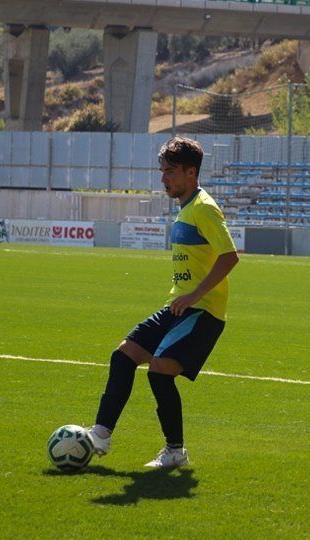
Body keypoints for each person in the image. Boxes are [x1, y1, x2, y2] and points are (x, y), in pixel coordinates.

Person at [85, 137, 239, 468]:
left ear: (191, 172)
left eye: (170, 171)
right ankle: (100, 433)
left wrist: (195, 295)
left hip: (202, 311)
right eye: (162, 171)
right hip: (178, 306)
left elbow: (230, 257)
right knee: (124, 355)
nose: (163, 178)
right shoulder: (188, 208)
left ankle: (175, 452)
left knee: (159, 371)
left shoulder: (205, 208)